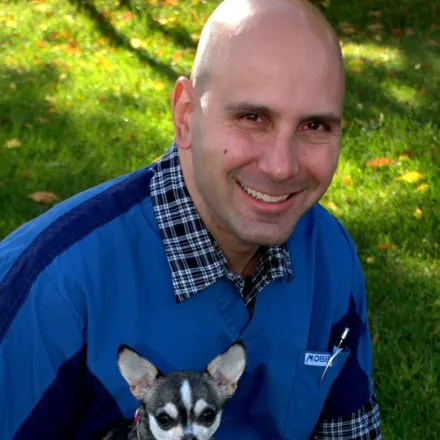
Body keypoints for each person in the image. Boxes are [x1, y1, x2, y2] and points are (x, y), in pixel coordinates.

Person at [0, 0, 382, 438]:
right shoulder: (49, 289)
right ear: (186, 115)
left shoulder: (330, 252)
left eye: (314, 126)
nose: (281, 167)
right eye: (252, 117)